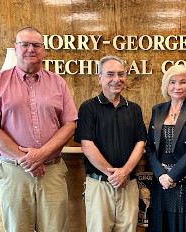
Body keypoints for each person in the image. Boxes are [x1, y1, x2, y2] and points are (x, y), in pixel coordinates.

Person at [0, 27, 78, 232]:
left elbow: (69, 125)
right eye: (25, 44)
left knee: (54, 228)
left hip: (52, 170)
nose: (31, 49)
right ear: (16, 48)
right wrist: (28, 159)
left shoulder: (58, 83)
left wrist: (41, 155)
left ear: (44, 50)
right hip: (14, 173)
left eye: (36, 45)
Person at [74, 55, 147, 232]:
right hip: (99, 185)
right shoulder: (88, 107)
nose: (117, 79)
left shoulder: (134, 109)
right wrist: (114, 175)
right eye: (110, 74)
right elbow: (87, 145)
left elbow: (140, 143)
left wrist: (124, 173)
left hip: (129, 184)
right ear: (100, 78)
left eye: (121, 74)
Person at [145, 64, 186, 232]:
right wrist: (161, 175)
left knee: (184, 225)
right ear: (166, 85)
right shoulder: (157, 110)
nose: (178, 87)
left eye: (183, 82)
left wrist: (172, 177)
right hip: (160, 180)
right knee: (161, 223)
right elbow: (150, 147)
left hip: (185, 179)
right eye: (173, 82)